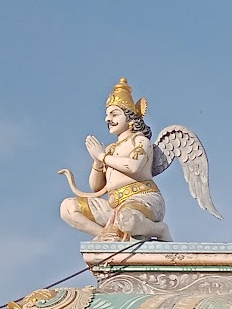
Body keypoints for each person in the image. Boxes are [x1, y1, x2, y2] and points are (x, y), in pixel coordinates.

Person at [59, 78, 172, 241]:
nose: (108, 119)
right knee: (67, 207)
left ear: (130, 117)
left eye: (114, 114)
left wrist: (102, 157)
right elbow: (97, 187)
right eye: (107, 115)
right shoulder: (111, 149)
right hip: (115, 206)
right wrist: (98, 163)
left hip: (143, 199)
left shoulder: (139, 141)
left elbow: (134, 167)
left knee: (128, 220)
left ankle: (159, 229)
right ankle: (108, 237)